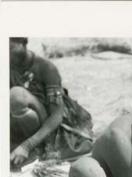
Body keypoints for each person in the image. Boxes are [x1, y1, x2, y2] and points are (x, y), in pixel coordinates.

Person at [10, 37, 93, 169]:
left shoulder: (46, 68)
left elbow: (56, 116)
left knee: (17, 95)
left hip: (51, 124)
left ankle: (40, 148)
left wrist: (27, 146)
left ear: (24, 43)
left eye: (11, 48)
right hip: (23, 120)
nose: (7, 53)